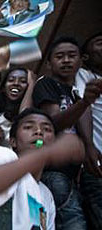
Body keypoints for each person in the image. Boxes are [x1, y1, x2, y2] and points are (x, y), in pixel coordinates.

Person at [32, 36, 102, 230]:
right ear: (48, 64)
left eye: (72, 56)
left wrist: (89, 148)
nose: (66, 60)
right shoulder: (46, 83)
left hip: (73, 174)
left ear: (80, 61)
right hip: (54, 172)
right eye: (59, 56)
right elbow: (53, 122)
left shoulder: (76, 92)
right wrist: (83, 103)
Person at [75, 32, 102, 230]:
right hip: (97, 162)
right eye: (100, 43)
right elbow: (83, 107)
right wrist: (89, 146)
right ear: (85, 57)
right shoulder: (83, 75)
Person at [0, 67, 36, 147]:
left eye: (23, 81)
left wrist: (32, 83)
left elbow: (39, 144)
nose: (16, 83)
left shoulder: (35, 119)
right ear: (3, 87)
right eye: (11, 80)